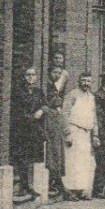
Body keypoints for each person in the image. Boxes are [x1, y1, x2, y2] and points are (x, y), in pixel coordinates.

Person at [59, 72, 99, 200]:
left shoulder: (91, 97)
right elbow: (64, 114)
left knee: (83, 163)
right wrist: (67, 133)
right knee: (72, 162)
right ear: (79, 81)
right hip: (74, 130)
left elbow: (94, 117)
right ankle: (70, 191)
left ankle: (81, 190)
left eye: (88, 81)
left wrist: (95, 135)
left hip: (86, 133)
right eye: (84, 81)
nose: (86, 84)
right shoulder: (72, 95)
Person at [10, 66, 46, 201]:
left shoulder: (38, 91)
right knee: (22, 158)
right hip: (22, 130)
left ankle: (29, 186)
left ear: (36, 77)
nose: (31, 77)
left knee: (32, 158)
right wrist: (31, 117)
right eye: (28, 75)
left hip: (34, 131)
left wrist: (41, 111)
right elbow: (17, 110)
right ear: (24, 77)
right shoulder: (18, 92)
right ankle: (23, 186)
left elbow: (45, 104)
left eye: (33, 75)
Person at [44, 63, 70, 199]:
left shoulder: (55, 88)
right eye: (55, 72)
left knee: (57, 153)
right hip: (49, 123)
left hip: (56, 123)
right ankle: (55, 183)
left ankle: (57, 183)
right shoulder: (47, 87)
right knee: (52, 152)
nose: (57, 75)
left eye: (59, 73)